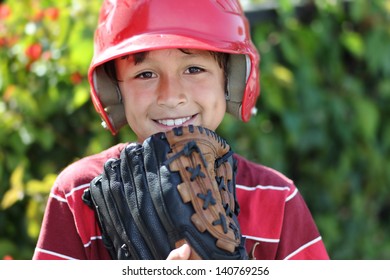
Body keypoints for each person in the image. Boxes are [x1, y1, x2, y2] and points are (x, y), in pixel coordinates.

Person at [33, 0, 329, 260]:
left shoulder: (275, 198)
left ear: (230, 80)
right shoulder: (79, 194)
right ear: (115, 91)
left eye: (194, 69)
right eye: (145, 74)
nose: (171, 96)